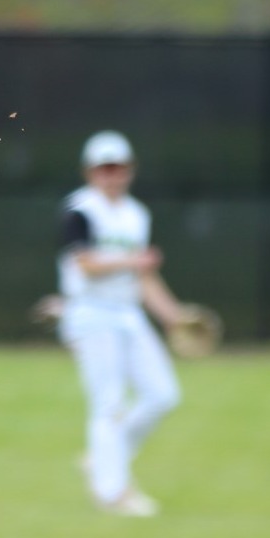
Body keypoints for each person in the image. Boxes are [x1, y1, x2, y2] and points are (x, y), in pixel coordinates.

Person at [55, 130, 186, 517]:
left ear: (129, 170)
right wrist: (134, 262)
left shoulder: (136, 214)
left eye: (117, 167)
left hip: (128, 313)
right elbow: (86, 264)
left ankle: (102, 459)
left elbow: (145, 279)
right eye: (103, 167)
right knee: (108, 403)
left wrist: (174, 316)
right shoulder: (80, 210)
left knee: (163, 394)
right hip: (90, 312)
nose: (111, 174)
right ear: (90, 172)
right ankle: (112, 493)